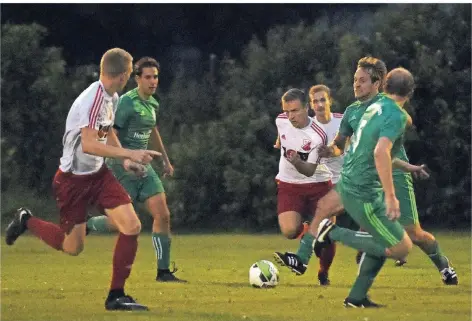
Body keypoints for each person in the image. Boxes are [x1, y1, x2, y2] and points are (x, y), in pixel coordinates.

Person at [274, 57, 457, 293]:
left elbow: (406, 121)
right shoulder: (351, 111)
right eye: (354, 80)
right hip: (361, 176)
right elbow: (339, 144)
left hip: (393, 174)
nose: (356, 85)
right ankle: (301, 259)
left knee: (414, 233)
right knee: (323, 208)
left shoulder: (386, 105)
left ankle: (443, 266)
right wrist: (329, 150)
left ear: (377, 84)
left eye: (362, 81)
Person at [4, 48, 161, 311]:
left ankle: (116, 296)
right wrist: (130, 152)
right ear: (123, 75)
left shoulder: (111, 97)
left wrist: (123, 161)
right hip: (72, 180)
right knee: (72, 247)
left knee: (131, 226)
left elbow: (105, 131)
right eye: (130, 73)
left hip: (98, 176)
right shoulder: (94, 99)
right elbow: (89, 144)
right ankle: (26, 220)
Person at [86, 57, 186, 282]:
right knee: (121, 222)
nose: (153, 82)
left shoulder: (152, 103)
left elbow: (152, 130)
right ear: (137, 79)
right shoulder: (125, 103)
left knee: (163, 214)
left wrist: (165, 161)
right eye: (148, 77)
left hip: (144, 165)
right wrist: (125, 161)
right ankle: (89, 224)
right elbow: (108, 134)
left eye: (156, 77)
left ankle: (163, 271)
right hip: (122, 168)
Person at [274, 84, 343, 285]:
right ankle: (309, 236)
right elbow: (282, 133)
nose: (290, 116)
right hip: (289, 184)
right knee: (289, 231)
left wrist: (296, 161)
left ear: (306, 108)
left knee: (327, 236)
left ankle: (323, 273)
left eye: (294, 111)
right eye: (287, 111)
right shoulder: (281, 120)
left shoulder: (318, 134)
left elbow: (310, 170)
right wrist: (279, 142)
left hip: (318, 184)